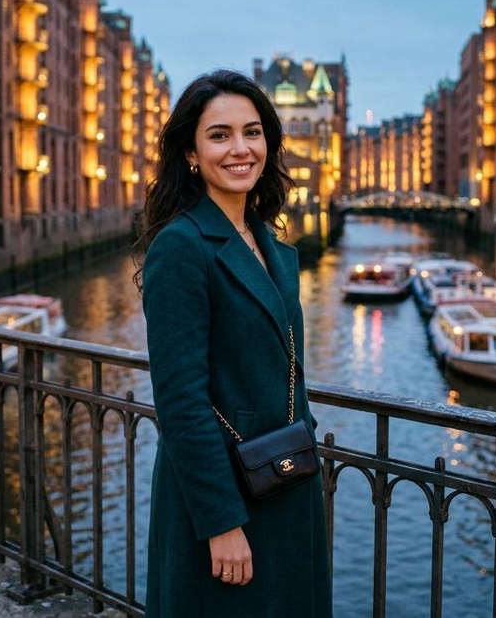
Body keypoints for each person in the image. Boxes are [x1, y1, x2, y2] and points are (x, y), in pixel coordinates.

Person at [134, 70, 331, 617]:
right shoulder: (181, 246)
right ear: (192, 154)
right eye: (219, 135)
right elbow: (180, 400)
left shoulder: (267, 239)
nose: (240, 149)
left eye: (252, 132)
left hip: (285, 478)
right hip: (225, 498)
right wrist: (221, 521)